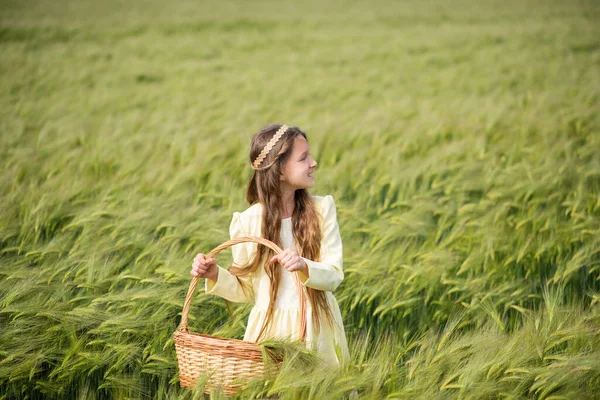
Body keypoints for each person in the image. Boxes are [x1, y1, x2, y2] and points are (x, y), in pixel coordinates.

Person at [190, 123, 349, 366]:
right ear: (280, 170)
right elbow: (248, 290)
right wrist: (214, 274)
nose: (314, 162)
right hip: (270, 332)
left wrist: (304, 266)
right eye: (304, 157)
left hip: (318, 328)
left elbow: (334, 276)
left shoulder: (321, 210)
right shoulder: (248, 221)